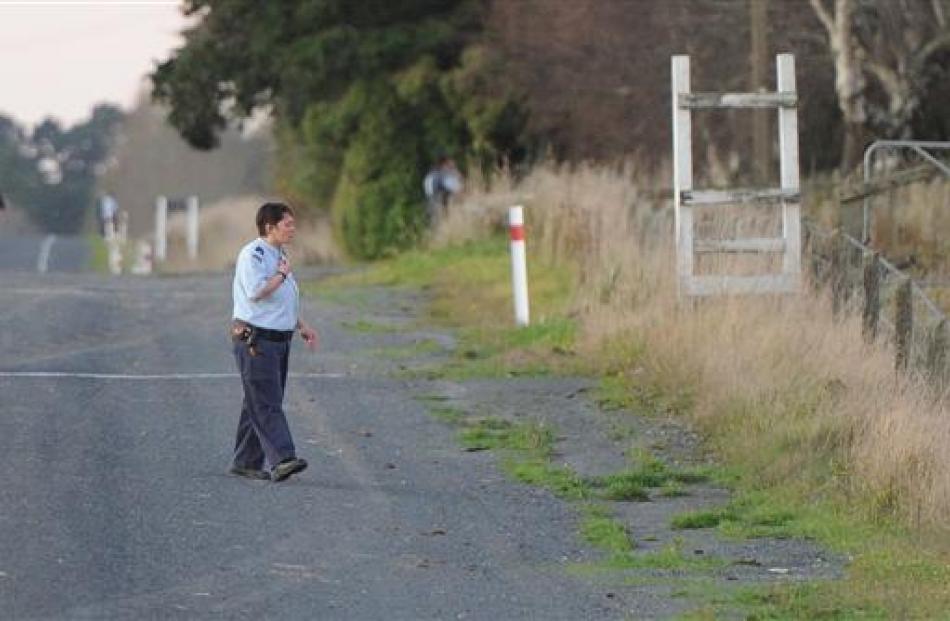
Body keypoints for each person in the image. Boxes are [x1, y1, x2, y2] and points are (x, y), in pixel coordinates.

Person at [230, 202, 318, 482]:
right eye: (287, 224)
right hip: (256, 339)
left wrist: (301, 325)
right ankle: (283, 458)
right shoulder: (253, 255)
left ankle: (245, 461)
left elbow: (281, 300)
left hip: (279, 338)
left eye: (293, 223)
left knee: (260, 400)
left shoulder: (278, 253)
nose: (293, 229)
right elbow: (257, 292)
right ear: (269, 227)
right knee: (267, 402)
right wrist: (281, 274)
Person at [422, 155, 463, 228]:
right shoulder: (443, 176)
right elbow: (457, 190)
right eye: (450, 166)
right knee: (441, 227)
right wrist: (457, 176)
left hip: (429, 204)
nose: (451, 168)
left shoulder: (430, 175)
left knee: (433, 228)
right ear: (444, 164)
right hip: (439, 205)